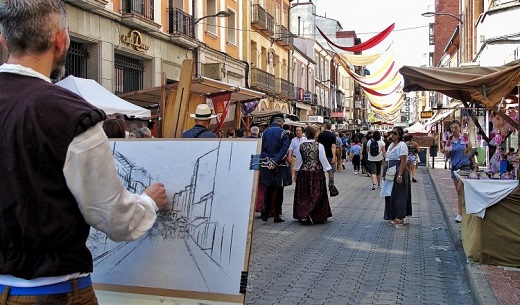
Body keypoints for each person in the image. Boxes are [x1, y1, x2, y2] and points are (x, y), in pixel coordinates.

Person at [0, 1, 168, 304]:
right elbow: (115, 218)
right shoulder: (70, 115)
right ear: (62, 40)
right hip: (54, 293)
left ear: (3, 40)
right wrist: (148, 202)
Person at [293, 126, 333, 224]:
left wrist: (296, 172)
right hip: (316, 172)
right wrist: (329, 171)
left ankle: (305, 212)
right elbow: (323, 159)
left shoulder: (301, 145)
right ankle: (314, 213)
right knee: (317, 193)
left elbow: (299, 160)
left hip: (304, 172)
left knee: (304, 194)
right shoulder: (319, 145)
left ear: (305, 134)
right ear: (315, 134)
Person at [443, 120, 478, 223]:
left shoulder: (464, 139)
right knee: (459, 193)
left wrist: (475, 164)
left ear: (459, 128)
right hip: (454, 167)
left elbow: (470, 152)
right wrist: (447, 148)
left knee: (459, 189)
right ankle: (460, 213)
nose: (454, 130)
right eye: (452, 128)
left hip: (465, 166)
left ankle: (464, 212)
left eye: (456, 127)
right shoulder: (450, 140)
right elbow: (447, 156)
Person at [259, 114, 291, 223]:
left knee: (268, 188)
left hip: (266, 164)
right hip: (280, 165)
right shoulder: (284, 133)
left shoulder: (263, 133)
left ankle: (265, 209)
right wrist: (275, 160)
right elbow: (284, 149)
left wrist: (268, 159)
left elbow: (261, 148)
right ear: (282, 123)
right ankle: (277, 215)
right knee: (279, 190)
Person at [382, 127, 412, 225]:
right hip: (390, 171)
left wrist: (400, 175)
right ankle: (392, 215)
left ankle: (400, 217)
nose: (392, 135)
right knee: (390, 193)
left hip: (398, 170)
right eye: (392, 133)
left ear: (399, 134)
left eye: (395, 133)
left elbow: (403, 161)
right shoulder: (391, 144)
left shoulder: (402, 145)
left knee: (399, 194)